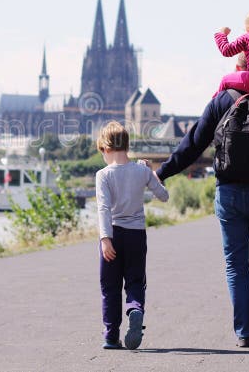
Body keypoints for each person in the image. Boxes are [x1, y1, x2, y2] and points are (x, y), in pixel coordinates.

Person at [156, 56, 249, 348]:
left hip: (229, 193)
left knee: (235, 264)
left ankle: (244, 333)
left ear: (239, 69)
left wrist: (162, 172)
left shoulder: (222, 99)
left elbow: (192, 145)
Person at [96, 121, 169, 350]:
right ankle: (135, 308)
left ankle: (110, 336)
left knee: (110, 286)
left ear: (106, 148)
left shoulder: (103, 175)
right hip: (136, 235)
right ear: (126, 146)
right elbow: (163, 196)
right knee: (136, 280)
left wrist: (105, 239)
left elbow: (103, 208)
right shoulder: (141, 171)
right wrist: (149, 172)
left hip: (113, 234)